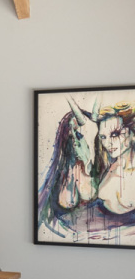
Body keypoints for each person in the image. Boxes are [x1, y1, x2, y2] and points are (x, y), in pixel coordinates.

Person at [38, 97, 135, 241]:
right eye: (103, 137)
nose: (107, 143)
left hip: (99, 237)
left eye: (115, 134)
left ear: (131, 134)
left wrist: (114, 234)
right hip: (74, 234)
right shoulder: (109, 164)